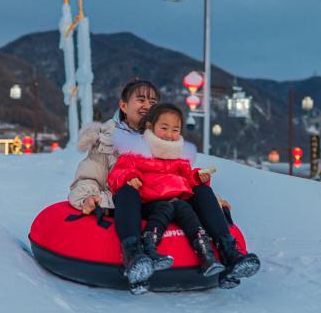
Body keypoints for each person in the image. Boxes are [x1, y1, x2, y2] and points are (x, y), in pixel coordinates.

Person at [68, 79, 260, 292]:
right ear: (123, 106)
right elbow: (87, 178)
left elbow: (181, 177)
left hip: (169, 202)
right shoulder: (106, 142)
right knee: (128, 190)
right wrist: (91, 197)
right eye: (140, 99)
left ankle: (229, 253)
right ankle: (132, 255)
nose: (147, 105)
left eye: (152, 101)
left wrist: (212, 199)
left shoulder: (164, 138)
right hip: (129, 205)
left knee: (201, 189)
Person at [107, 103, 225, 292]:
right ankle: (134, 253)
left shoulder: (180, 159)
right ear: (150, 126)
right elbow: (116, 175)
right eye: (164, 128)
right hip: (148, 202)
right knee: (142, 199)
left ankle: (219, 251)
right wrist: (130, 178)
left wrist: (197, 177)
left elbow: (187, 178)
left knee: (187, 202)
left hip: (177, 203)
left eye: (175, 129)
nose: (170, 134)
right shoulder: (136, 153)